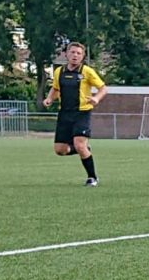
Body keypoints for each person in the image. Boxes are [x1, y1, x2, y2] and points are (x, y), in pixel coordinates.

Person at [42, 41, 108, 187]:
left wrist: (96, 98)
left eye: (79, 53)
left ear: (82, 56)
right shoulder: (59, 71)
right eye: (72, 52)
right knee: (60, 150)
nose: (75, 55)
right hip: (64, 114)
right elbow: (55, 88)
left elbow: (103, 88)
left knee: (79, 144)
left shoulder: (87, 72)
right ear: (66, 54)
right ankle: (84, 149)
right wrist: (49, 98)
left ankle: (92, 178)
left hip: (82, 113)